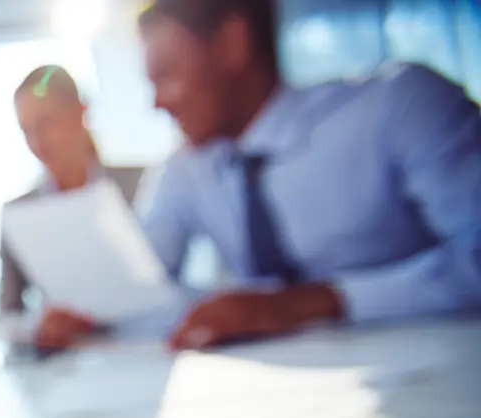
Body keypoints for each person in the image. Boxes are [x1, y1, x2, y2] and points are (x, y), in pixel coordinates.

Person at [136, 0, 481, 350]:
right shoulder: (186, 165)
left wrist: (314, 303)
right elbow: (139, 287)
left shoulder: (400, 106)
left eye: (167, 75)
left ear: (231, 44)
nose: (157, 103)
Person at [1, 65, 147, 350]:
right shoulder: (18, 213)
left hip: (146, 347)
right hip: (67, 364)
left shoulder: (141, 183)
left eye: (46, 123)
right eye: (26, 130)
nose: (37, 142)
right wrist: (39, 325)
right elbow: (7, 316)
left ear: (81, 111)